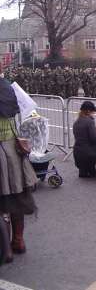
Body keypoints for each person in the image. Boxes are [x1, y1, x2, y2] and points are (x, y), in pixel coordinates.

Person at [0, 64, 37, 261]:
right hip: (12, 150)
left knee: (3, 202)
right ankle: (18, 240)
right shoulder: (10, 89)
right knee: (17, 196)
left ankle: (5, 250)